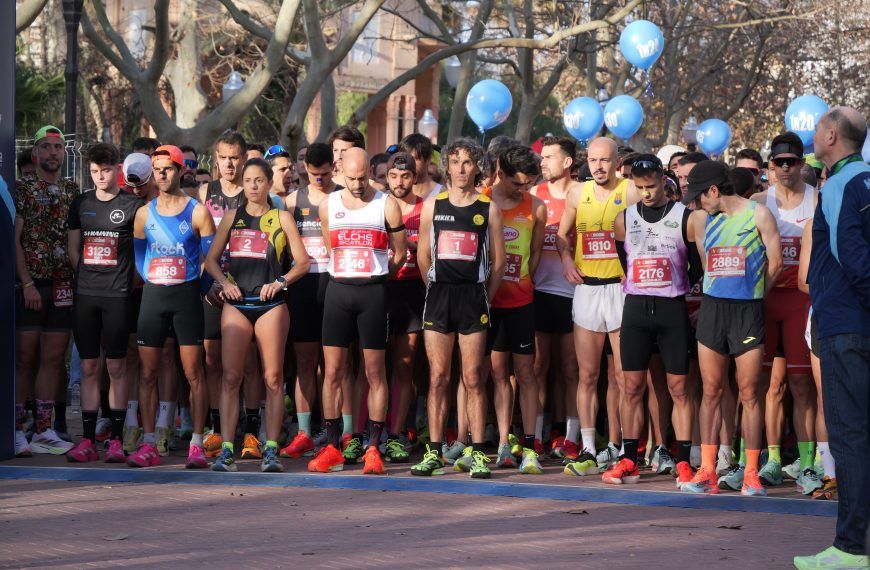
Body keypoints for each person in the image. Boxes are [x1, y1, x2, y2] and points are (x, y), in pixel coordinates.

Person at [794, 106, 870, 570]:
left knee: (850, 437)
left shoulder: (841, 184)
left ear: (831, 134)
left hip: (846, 325)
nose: (814, 133)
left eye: (819, 127)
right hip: (851, 322)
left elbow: (851, 254)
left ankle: (851, 547)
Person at [679, 160, 782, 497]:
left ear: (713, 190)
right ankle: (707, 469)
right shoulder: (700, 220)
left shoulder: (758, 214)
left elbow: (776, 262)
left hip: (747, 312)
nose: (695, 203)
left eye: (699, 196)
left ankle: (751, 472)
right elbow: (709, 265)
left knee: (750, 392)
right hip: (713, 310)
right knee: (710, 391)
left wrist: (754, 296)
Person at [205, 158, 310, 473]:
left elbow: (302, 263)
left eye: (258, 180)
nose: (252, 185)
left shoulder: (282, 218)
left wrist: (280, 282)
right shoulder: (231, 217)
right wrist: (224, 283)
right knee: (231, 377)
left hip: (271, 307)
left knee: (273, 378)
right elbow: (210, 260)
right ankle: (226, 449)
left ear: (268, 183)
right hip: (238, 305)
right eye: (247, 180)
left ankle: (271, 449)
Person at [307, 147, 406, 475]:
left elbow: (400, 254)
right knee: (333, 372)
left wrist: (379, 275)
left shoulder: (386, 205)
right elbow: (330, 243)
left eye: (363, 177)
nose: (358, 184)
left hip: (373, 294)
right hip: (339, 291)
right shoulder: (328, 205)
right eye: (351, 178)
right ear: (339, 172)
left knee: (375, 373)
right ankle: (332, 446)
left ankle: (374, 447)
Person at [410, 138, 505, 479]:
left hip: (473, 298)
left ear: (476, 167)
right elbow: (423, 256)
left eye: (467, 162)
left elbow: (499, 261)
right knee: (438, 377)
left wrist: (485, 298)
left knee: (474, 377)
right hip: (439, 297)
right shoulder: (433, 206)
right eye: (455, 162)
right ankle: (434, 451)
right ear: (446, 167)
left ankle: (478, 452)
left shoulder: (487, 209)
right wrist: (434, 287)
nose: (461, 168)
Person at [608, 154, 700, 486]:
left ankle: (684, 461)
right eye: (640, 187)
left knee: (679, 389)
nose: (646, 193)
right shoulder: (624, 219)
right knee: (630, 386)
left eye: (651, 186)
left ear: (663, 179)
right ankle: (629, 457)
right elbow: (624, 260)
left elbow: (696, 266)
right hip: (635, 309)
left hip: (671, 309)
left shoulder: (684, 217)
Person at [557, 136, 639, 476]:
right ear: (586, 162)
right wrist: (564, 258)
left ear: (617, 160)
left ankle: (617, 445)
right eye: (593, 161)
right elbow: (562, 235)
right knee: (587, 374)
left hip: (620, 291)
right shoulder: (577, 192)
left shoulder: (631, 190)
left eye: (605, 160)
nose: (599, 166)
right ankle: (588, 446)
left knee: (621, 376)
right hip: (588, 289)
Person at [131, 145, 215, 468]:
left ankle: (196, 443)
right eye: (158, 169)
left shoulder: (197, 212)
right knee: (148, 372)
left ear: (181, 171)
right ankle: (149, 442)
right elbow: (140, 257)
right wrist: (155, 278)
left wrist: (200, 288)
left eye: (168, 168)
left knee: (194, 372)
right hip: (154, 296)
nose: (162, 175)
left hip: (186, 296)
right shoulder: (143, 213)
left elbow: (210, 259)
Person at [65, 143, 143, 463]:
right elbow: (74, 249)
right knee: (88, 366)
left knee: (117, 366)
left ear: (118, 168)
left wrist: (126, 281)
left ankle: (116, 439)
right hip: (86, 294)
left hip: (119, 295)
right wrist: (87, 276)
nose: (100, 177)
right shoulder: (80, 203)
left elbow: (142, 252)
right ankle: (86, 440)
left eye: (106, 170)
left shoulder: (133, 205)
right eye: (95, 171)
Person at [750, 132, 819, 493]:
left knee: (802, 384)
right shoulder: (760, 201)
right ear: (770, 167)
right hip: (768, 299)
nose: (786, 168)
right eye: (779, 162)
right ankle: (772, 459)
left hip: (801, 301)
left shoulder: (817, 199)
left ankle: (808, 462)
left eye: (792, 161)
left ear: (802, 164)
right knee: (769, 386)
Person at [14, 125, 78, 456]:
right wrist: (26, 283)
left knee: (53, 359)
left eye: (58, 147)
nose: (53, 153)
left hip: (64, 284)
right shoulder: (22, 189)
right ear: (36, 153)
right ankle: (14, 429)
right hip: (31, 285)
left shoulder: (72, 190)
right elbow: (15, 241)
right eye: (46, 147)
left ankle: (44, 429)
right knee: (25, 357)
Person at [485, 145, 547, 473]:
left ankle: (530, 443)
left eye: (527, 184)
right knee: (497, 373)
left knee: (526, 372)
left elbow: (535, 253)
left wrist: (523, 278)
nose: (522, 189)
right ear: (501, 172)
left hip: (522, 300)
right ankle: (502, 443)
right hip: (489, 303)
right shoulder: (483, 200)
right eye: (516, 183)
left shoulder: (536, 208)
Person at [279, 142, 339, 459]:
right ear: (305, 169)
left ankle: (336, 432)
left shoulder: (344, 196)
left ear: (334, 167)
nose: (318, 179)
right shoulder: (291, 202)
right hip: (302, 285)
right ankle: (303, 431)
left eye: (324, 174)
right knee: (304, 361)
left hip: (336, 284)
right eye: (313, 174)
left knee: (335, 365)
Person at [198, 130, 248, 457]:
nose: (229, 164)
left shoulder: (254, 192)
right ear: (216, 159)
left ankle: (248, 425)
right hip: (210, 287)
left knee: (247, 363)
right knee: (212, 359)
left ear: (243, 159)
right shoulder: (205, 192)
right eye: (223, 158)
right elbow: (196, 240)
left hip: (245, 286)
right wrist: (212, 281)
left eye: (234, 158)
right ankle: (216, 427)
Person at [531, 137, 581, 463]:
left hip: (573, 292)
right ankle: (536, 435)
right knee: (537, 368)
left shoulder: (581, 193)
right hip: (538, 290)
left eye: (549, 157)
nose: (542, 162)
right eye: (542, 157)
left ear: (566, 162)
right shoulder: (535, 195)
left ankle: (571, 437)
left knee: (571, 370)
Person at [383, 152, 424, 463]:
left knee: (404, 365)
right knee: (371, 366)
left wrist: (412, 246)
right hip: (379, 288)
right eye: (394, 177)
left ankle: (397, 433)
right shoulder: (378, 205)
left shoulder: (427, 208)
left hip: (413, 290)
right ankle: (362, 432)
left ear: (414, 176)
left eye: (405, 177)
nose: (399, 182)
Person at [398, 133, 443, 199]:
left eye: (414, 159)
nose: (408, 163)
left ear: (428, 160)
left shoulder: (442, 195)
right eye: (405, 158)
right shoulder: (395, 195)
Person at [329, 125, 366, 190]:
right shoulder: (325, 180)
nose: (339, 156)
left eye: (344, 151)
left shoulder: (368, 184)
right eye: (335, 150)